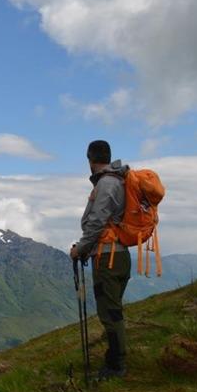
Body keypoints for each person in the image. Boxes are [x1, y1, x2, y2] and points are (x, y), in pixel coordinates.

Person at [69, 140, 131, 379]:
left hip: (108, 257)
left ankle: (116, 366)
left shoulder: (106, 183)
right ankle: (115, 360)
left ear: (90, 159)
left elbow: (97, 220)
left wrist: (81, 248)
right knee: (113, 311)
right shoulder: (120, 181)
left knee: (110, 313)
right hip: (119, 254)